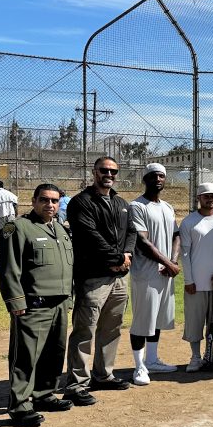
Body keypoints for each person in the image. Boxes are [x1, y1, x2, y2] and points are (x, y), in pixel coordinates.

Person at [0, 183, 74, 427]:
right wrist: (15, 301)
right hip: (33, 305)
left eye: (54, 201)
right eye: (44, 199)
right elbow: (8, 268)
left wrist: (69, 297)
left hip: (59, 303)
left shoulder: (60, 229)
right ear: (33, 201)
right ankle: (19, 406)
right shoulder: (17, 227)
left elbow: (67, 267)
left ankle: (44, 394)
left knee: (54, 353)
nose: (50, 204)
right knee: (26, 357)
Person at [63, 156, 136, 407]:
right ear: (94, 172)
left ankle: (103, 375)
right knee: (85, 330)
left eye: (113, 171)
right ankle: (76, 384)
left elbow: (131, 232)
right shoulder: (81, 202)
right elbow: (89, 235)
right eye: (104, 170)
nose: (109, 175)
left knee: (111, 328)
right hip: (93, 277)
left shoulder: (121, 203)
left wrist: (127, 255)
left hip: (119, 277)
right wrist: (116, 258)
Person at [128, 163, 180, 386]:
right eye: (153, 176)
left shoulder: (167, 207)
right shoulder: (137, 206)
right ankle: (139, 367)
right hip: (145, 274)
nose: (158, 179)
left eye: (161, 176)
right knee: (142, 321)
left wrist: (173, 262)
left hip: (165, 272)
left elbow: (176, 235)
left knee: (157, 318)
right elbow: (142, 241)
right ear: (145, 179)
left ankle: (152, 360)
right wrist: (167, 262)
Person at [179, 182, 213, 373]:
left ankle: (210, 354)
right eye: (206, 196)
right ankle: (195, 357)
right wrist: (189, 280)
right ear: (199, 198)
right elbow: (185, 253)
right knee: (194, 322)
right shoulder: (189, 222)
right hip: (196, 283)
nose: (210, 199)